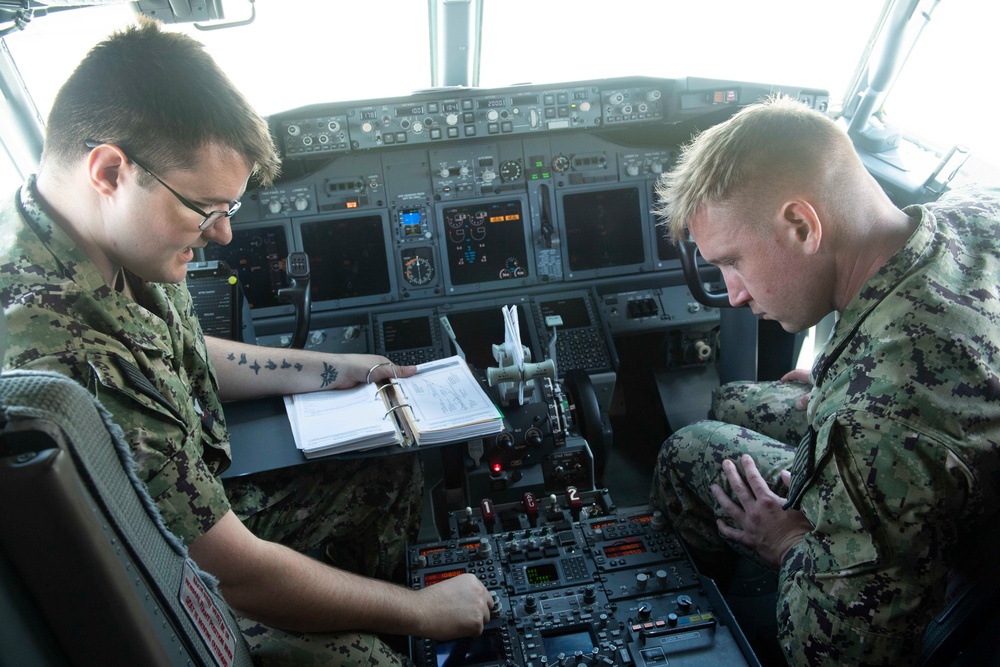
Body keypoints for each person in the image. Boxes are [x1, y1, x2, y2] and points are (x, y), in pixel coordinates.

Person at [0, 17, 492, 666]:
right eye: (207, 210)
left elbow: (190, 348)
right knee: (371, 660)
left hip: (209, 510)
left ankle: (347, 597)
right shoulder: (66, 356)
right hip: (171, 584)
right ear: (111, 170)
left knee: (393, 463)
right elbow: (230, 570)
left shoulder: (116, 242)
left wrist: (338, 368)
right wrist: (423, 610)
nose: (223, 234)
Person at [649, 95, 1000, 666]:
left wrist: (786, 542)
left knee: (687, 448)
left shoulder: (880, 417)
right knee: (732, 399)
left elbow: (840, 655)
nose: (733, 293)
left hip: (953, 560)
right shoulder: (976, 211)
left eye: (734, 260)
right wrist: (840, 373)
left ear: (800, 225)